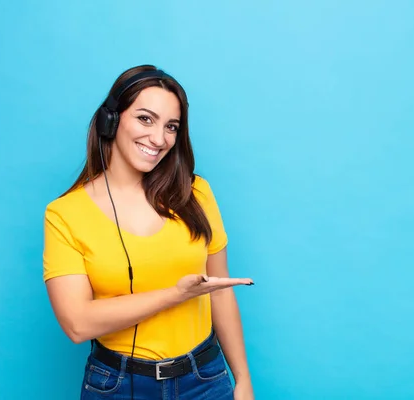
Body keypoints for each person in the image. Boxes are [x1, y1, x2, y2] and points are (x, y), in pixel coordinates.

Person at [42, 64, 255, 400]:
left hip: (205, 378)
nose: (159, 139)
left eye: (171, 126)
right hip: (118, 385)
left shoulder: (196, 193)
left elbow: (220, 290)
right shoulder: (65, 214)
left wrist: (242, 380)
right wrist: (176, 294)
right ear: (109, 121)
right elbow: (77, 323)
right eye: (145, 119)